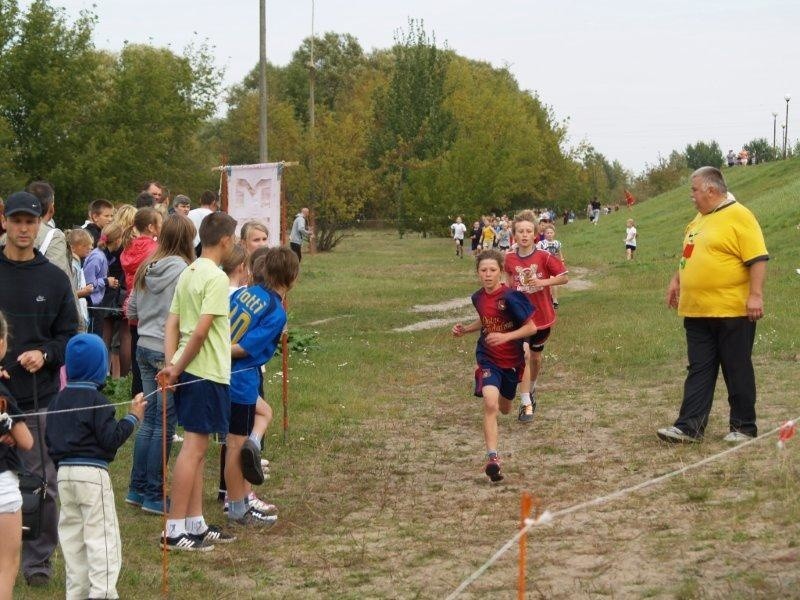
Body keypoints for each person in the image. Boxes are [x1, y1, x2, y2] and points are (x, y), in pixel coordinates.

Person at [0, 191, 79, 588]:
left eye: (29, 221)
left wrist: (45, 354)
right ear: (5, 223)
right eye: (16, 221)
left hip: (38, 396)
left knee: (40, 481)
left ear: (40, 223)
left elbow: (70, 336)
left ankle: (37, 560)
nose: (23, 229)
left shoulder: (54, 278)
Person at [658, 167, 768, 444]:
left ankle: (744, 428)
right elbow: (688, 254)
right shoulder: (698, 220)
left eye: (694, 190)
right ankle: (689, 427)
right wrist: (676, 280)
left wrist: (755, 295)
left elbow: (758, 258)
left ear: (711, 190)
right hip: (697, 311)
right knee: (699, 369)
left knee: (736, 367)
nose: (691, 196)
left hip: (731, 310)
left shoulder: (740, 215)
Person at [157, 211, 237, 551]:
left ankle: (195, 522)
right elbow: (201, 330)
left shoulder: (188, 273)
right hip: (204, 373)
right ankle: (174, 529)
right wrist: (174, 368)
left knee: (199, 449)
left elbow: (171, 324)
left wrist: (172, 362)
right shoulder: (216, 278)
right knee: (192, 450)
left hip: (190, 370)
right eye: (234, 239)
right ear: (225, 241)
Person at [45, 334, 145, 600]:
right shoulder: (99, 402)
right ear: (100, 367)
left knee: (73, 540)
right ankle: (101, 593)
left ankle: (76, 594)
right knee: (102, 538)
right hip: (92, 476)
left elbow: (50, 440)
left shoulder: (57, 402)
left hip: (64, 476)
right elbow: (111, 438)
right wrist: (133, 418)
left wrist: (61, 466)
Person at [125, 215, 195, 515]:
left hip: (143, 345)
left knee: (150, 422)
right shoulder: (183, 270)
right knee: (164, 426)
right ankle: (154, 494)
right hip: (166, 352)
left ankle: (137, 488)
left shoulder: (146, 266)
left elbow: (130, 309)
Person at [226, 247, 298, 526]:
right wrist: (217, 351)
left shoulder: (248, 292)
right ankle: (237, 509)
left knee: (264, 413)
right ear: (292, 277)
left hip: (235, 376)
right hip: (239, 377)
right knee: (235, 445)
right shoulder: (276, 312)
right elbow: (244, 348)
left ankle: (253, 448)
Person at [452, 250, 536, 482]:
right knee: (490, 404)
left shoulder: (511, 297)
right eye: (483, 270)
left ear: (500, 271)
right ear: (477, 273)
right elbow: (485, 318)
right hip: (488, 357)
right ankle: (493, 458)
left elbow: (531, 328)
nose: (487, 275)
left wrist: (506, 337)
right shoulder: (477, 297)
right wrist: (466, 330)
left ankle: (511, 396)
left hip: (511, 360)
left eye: (492, 270)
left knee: (505, 408)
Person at [505, 211, 568, 423]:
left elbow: (564, 278)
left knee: (535, 358)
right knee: (522, 356)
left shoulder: (544, 257)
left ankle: (531, 389)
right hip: (520, 318)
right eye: (520, 231)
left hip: (542, 318)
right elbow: (507, 279)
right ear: (514, 235)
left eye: (528, 231)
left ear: (535, 235)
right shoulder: (509, 259)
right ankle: (525, 403)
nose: (524, 235)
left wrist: (542, 283)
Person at [0, 310, 35, 600]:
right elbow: (26, 441)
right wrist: (9, 422)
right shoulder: (3, 394)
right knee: (5, 566)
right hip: (2, 488)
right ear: (2, 345)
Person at [121, 208, 162, 396]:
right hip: (150, 308)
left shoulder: (129, 247)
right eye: (160, 223)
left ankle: (136, 394)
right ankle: (152, 394)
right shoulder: (154, 250)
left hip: (133, 307)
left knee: (136, 354)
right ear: (151, 227)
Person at [83, 223, 122, 338]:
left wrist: (109, 282)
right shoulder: (97, 257)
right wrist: (106, 282)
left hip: (97, 303)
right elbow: (88, 284)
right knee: (93, 337)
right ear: (117, 240)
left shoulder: (104, 256)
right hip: (92, 305)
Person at [65, 229, 95, 331]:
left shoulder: (78, 263)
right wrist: (84, 292)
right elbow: (69, 293)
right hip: (73, 314)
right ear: (73, 248)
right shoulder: (72, 266)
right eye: (84, 245)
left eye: (90, 245)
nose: (90, 248)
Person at [536, 224, 565, 308]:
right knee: (544, 284)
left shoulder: (557, 243)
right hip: (543, 265)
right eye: (547, 233)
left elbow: (559, 253)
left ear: (554, 233)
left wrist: (562, 261)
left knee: (553, 282)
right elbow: (537, 254)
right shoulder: (541, 243)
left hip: (553, 265)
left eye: (551, 232)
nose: (549, 234)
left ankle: (555, 301)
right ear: (544, 234)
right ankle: (546, 300)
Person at [188, 190, 217, 255]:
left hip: (189, 249)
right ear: (213, 202)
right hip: (205, 251)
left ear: (200, 200)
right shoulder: (213, 216)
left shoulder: (189, 213)